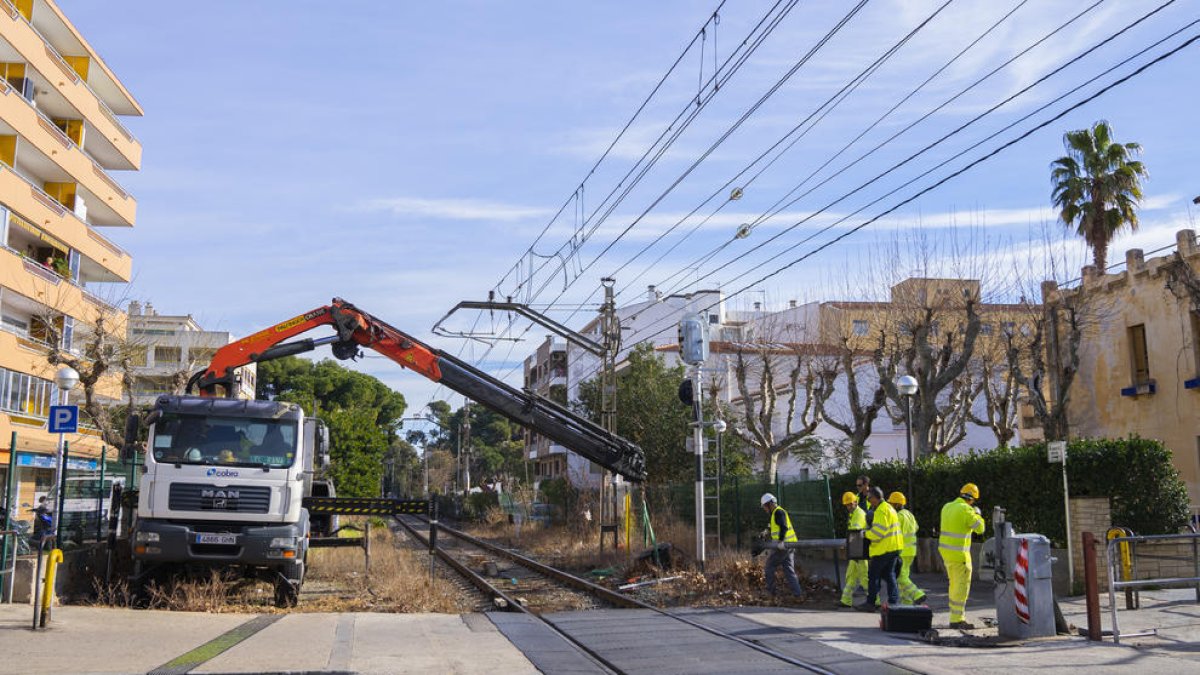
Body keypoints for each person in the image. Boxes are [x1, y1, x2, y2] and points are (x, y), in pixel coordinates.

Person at [939, 482, 986, 629]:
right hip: (960, 556)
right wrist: (977, 514)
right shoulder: (966, 510)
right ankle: (957, 619)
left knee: (953, 585)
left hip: (947, 554)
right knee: (961, 587)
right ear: (972, 499)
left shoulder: (947, 507)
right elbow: (980, 529)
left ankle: (955, 616)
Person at [857, 487, 904, 611]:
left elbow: (878, 533)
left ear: (875, 498)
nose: (869, 501)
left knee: (873, 576)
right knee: (890, 575)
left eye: (869, 498)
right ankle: (893, 602)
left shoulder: (881, 511)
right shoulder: (890, 508)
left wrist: (865, 534)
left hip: (884, 550)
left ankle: (871, 603)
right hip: (894, 548)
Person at [760, 493, 804, 599]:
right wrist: (766, 531)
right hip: (790, 545)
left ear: (769, 504)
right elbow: (774, 526)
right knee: (789, 570)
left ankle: (771, 592)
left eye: (765, 507)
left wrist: (780, 542)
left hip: (783, 547)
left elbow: (783, 527)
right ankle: (798, 594)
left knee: (769, 567)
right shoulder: (776, 512)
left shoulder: (778, 512)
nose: (765, 510)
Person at [888, 491, 926, 604]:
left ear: (897, 504)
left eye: (892, 504)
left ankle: (917, 594)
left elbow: (895, 533)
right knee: (904, 576)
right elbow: (916, 527)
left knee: (900, 577)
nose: (890, 506)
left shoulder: (898, 516)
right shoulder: (909, 514)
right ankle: (907, 602)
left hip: (902, 551)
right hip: (911, 551)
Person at [839, 491, 869, 608]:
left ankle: (874, 601)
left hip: (859, 550)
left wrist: (848, 544)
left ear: (855, 502)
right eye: (847, 505)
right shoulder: (854, 514)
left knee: (864, 578)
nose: (848, 507)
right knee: (850, 576)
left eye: (850, 504)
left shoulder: (859, 514)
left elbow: (855, 531)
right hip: (856, 550)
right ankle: (846, 600)